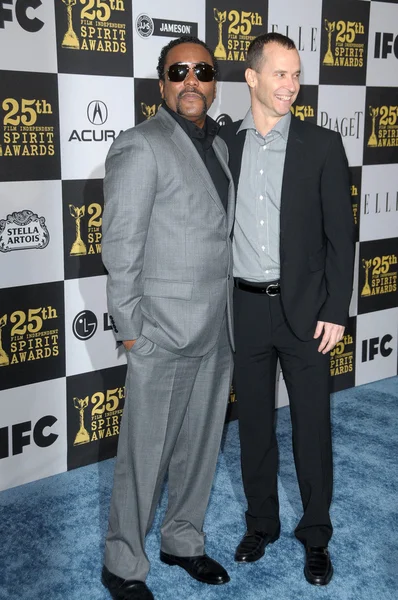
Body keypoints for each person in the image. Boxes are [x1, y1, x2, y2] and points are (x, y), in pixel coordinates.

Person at [101, 36, 235, 600]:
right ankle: (122, 563)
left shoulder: (223, 148)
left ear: (212, 82)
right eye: (178, 71)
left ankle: (183, 540)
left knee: (201, 446)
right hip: (160, 330)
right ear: (161, 83)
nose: (191, 81)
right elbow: (121, 246)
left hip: (217, 326)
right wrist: (132, 331)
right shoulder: (140, 144)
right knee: (144, 454)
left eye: (201, 72)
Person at [219, 32, 355, 586]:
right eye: (280, 74)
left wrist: (336, 310)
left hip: (305, 313)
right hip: (245, 309)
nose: (291, 85)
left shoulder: (321, 145)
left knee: (311, 429)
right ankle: (262, 523)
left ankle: (316, 533)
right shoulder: (222, 145)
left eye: (296, 75)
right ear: (251, 78)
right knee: (252, 427)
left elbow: (341, 239)